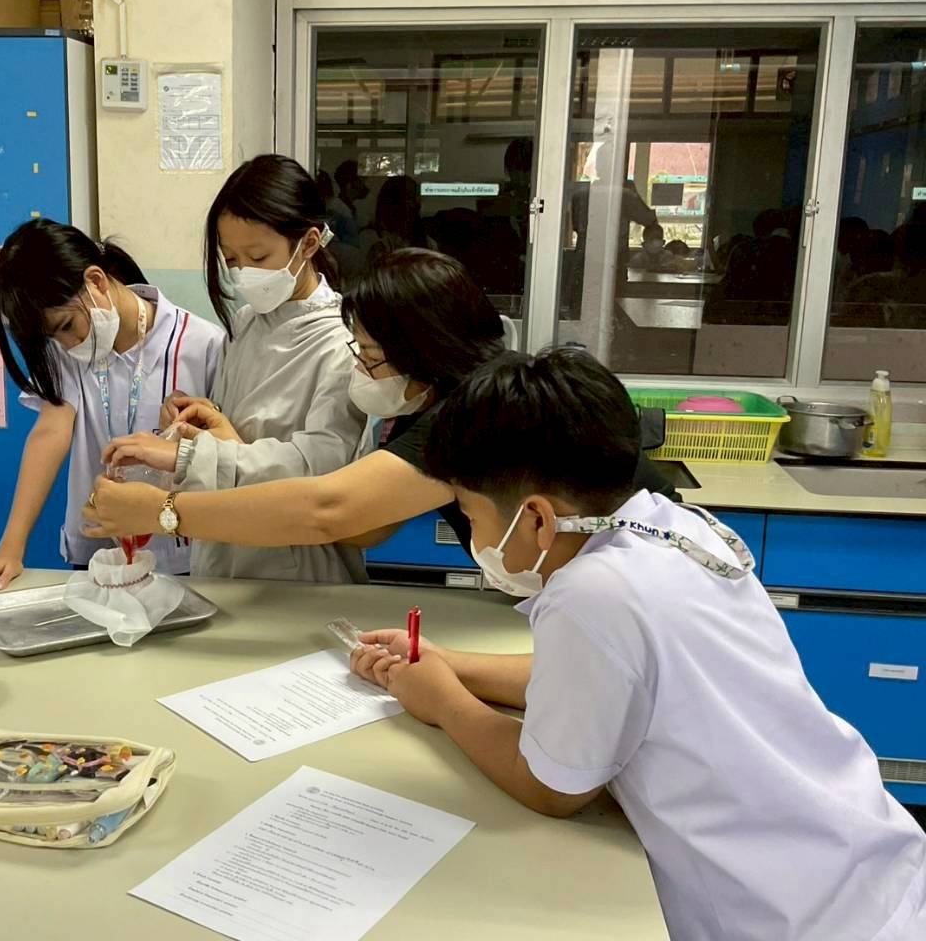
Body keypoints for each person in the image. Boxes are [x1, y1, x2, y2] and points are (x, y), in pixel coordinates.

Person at [347, 347, 926, 940]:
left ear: (538, 519)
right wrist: (449, 664)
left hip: (795, 916)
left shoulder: (592, 593)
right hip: (867, 863)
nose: (475, 536)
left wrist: (443, 701)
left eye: (472, 515)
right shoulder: (672, 526)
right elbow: (611, 677)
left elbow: (552, 786)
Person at [84, 249, 674, 560]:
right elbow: (365, 528)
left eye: (368, 354)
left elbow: (330, 510)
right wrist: (233, 452)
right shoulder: (423, 404)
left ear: (421, 350)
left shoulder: (479, 411)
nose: (360, 370)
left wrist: (163, 510)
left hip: (635, 574)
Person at [97, 154, 370, 583]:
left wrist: (189, 455)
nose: (244, 274)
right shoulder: (246, 324)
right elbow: (235, 436)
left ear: (309, 243)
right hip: (224, 552)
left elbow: (317, 473)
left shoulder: (342, 343)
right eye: (232, 259)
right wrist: (198, 422)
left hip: (298, 570)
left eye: (258, 256)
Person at [0, 219, 223, 596]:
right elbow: (50, 432)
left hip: (179, 547)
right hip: (99, 552)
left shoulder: (203, 344)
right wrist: (10, 547)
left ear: (96, 281)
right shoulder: (67, 353)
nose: (69, 343)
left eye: (67, 325)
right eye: (54, 336)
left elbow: (228, 451)